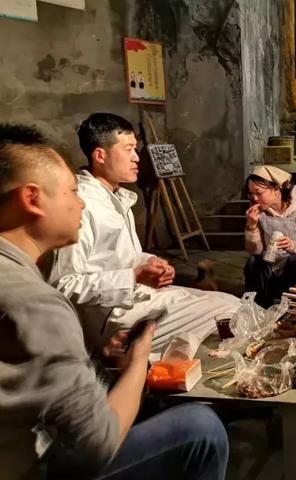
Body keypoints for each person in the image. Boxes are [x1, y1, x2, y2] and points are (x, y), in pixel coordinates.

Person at [0, 124, 228, 480]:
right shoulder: (36, 302)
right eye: (71, 192)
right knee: (202, 426)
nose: (79, 202)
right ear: (32, 199)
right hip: (30, 467)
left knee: (223, 304)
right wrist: (137, 362)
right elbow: (94, 447)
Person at [48, 113, 241, 358]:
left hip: (138, 298)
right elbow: (63, 284)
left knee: (233, 303)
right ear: (100, 156)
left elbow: (122, 257)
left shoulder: (117, 197)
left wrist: (149, 262)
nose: (137, 157)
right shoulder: (83, 205)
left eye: (135, 149)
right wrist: (133, 276)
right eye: (128, 149)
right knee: (229, 312)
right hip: (113, 318)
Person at [244, 165, 296, 307]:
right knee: (254, 262)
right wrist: (252, 226)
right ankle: (258, 311)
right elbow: (255, 251)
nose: (254, 198)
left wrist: (293, 246)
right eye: (251, 193)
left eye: (258, 192)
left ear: (276, 188)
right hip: (270, 265)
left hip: (295, 267)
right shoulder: (256, 209)